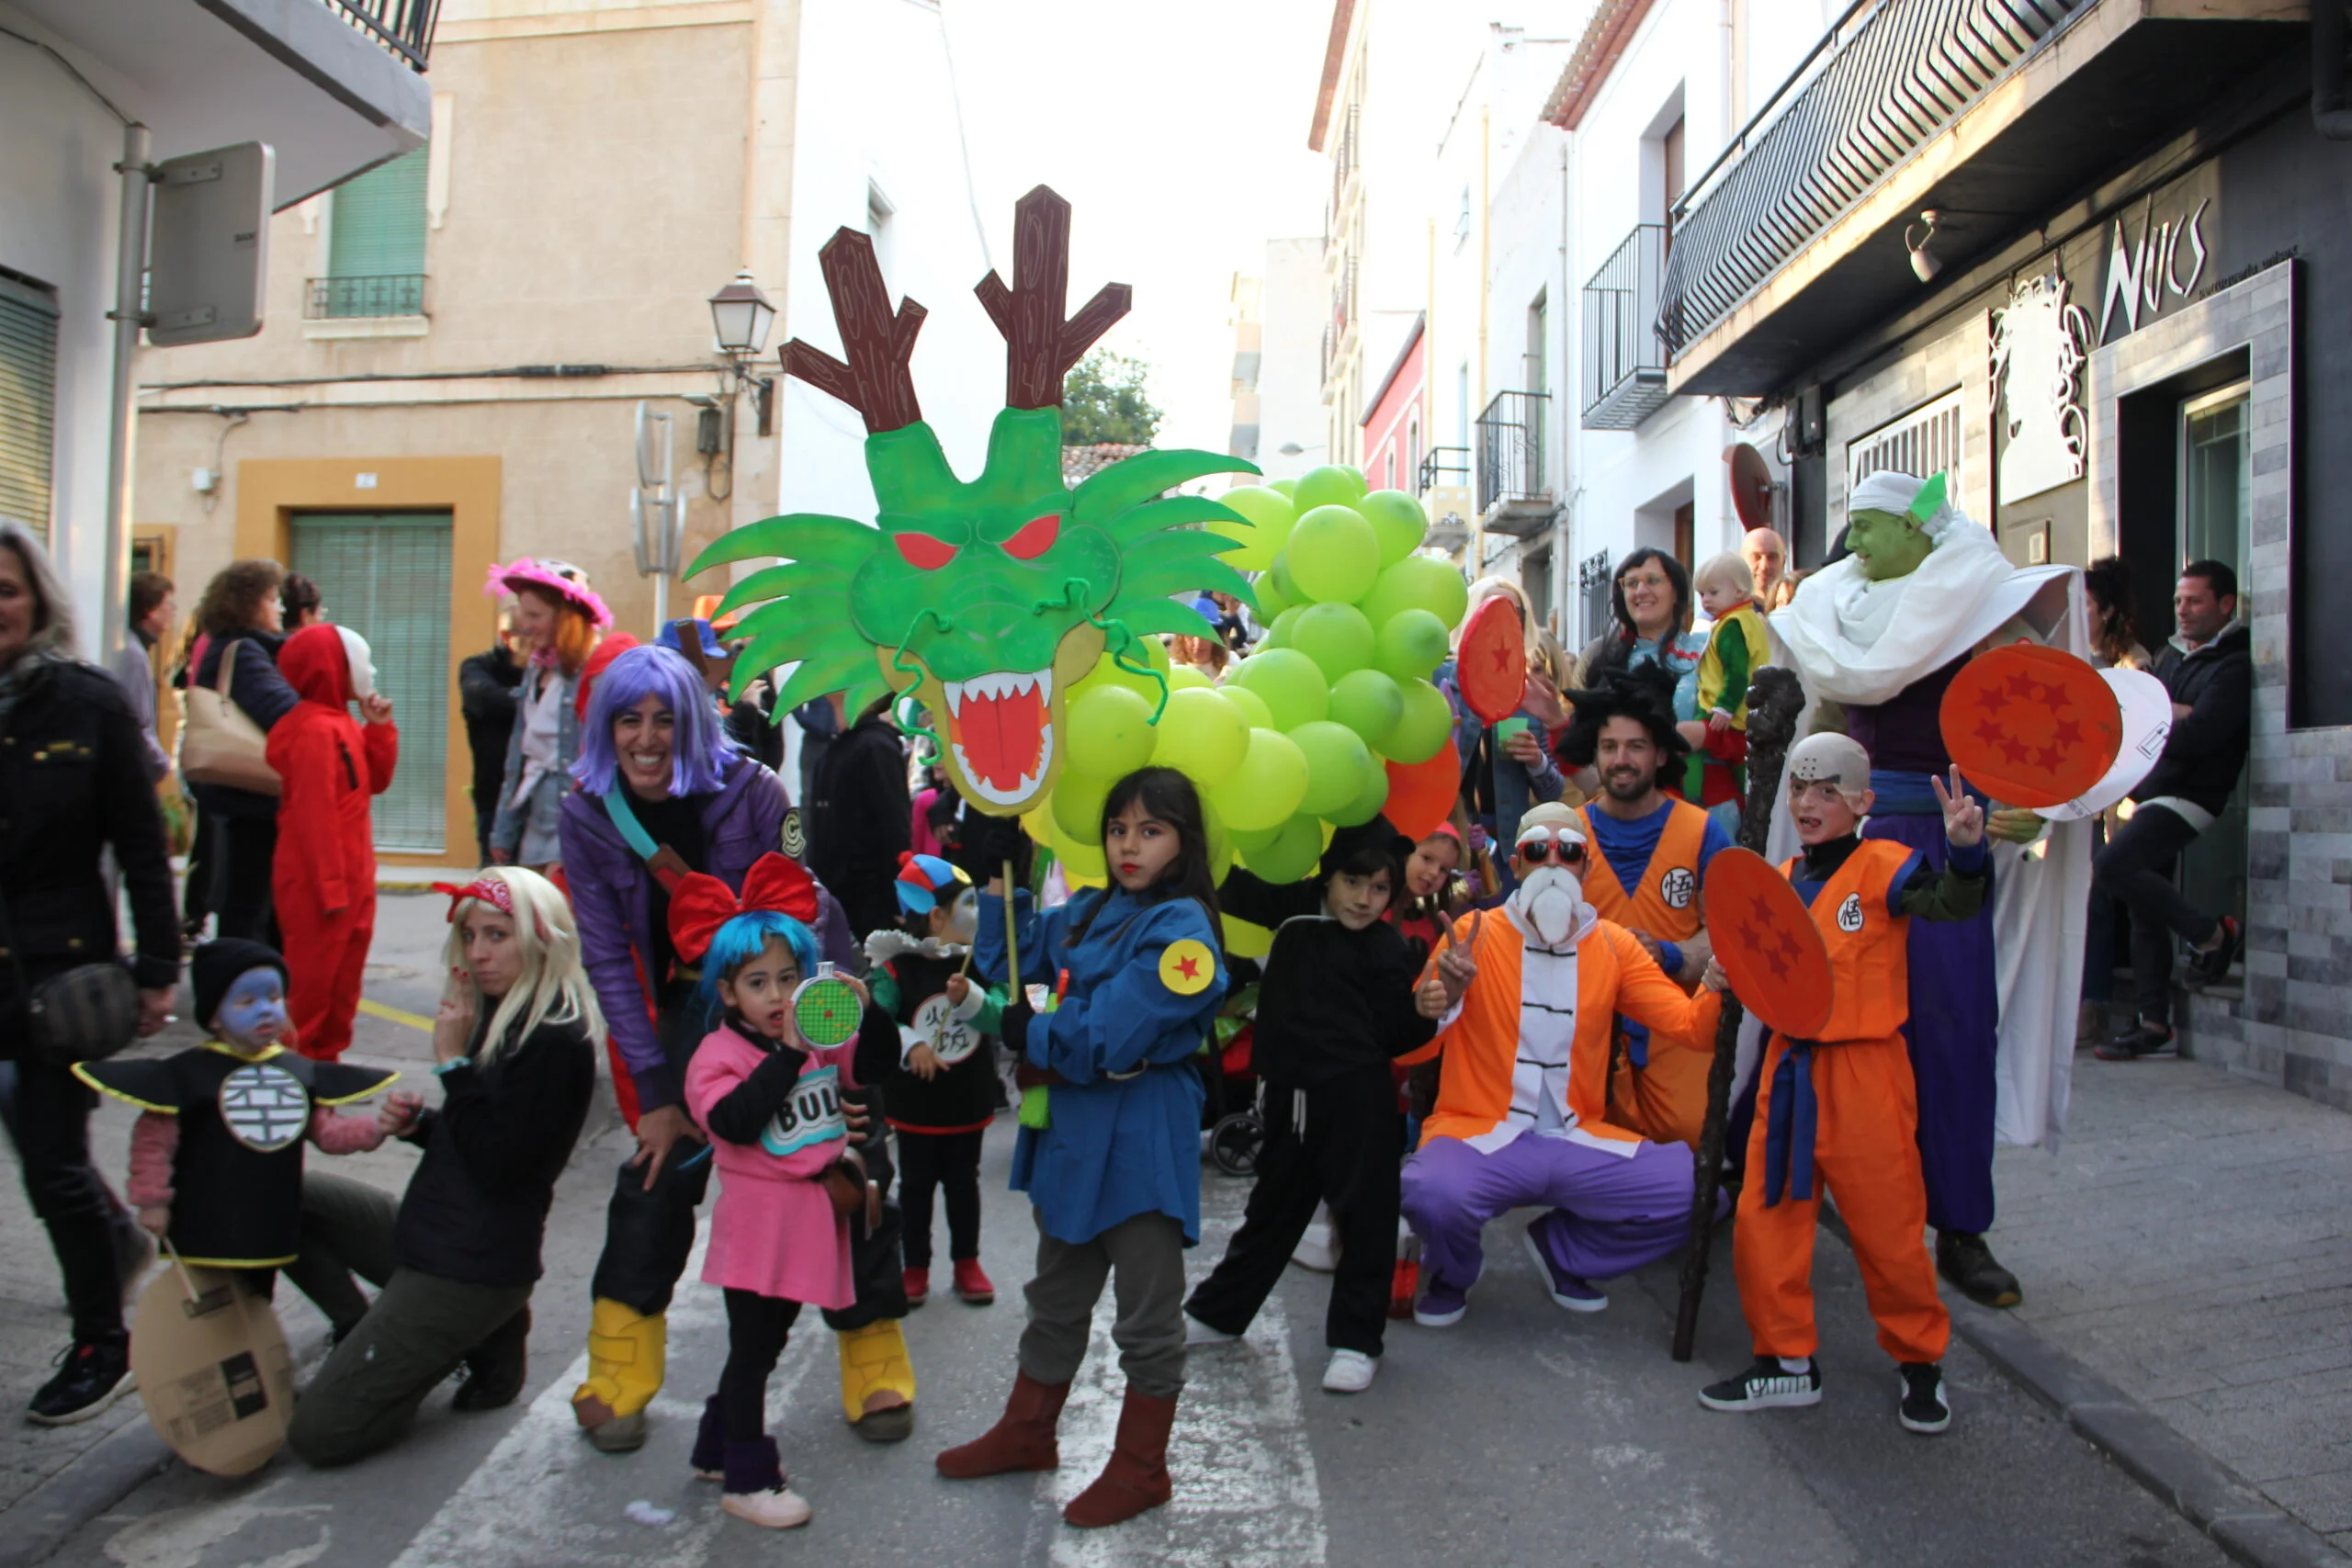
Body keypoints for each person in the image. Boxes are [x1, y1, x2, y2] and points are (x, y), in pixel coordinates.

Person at [558, 648, 909, 1452]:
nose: (646, 739)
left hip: (799, 987)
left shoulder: (755, 790)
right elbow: (607, 955)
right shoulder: (585, 811)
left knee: (853, 1159)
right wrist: (653, 1091)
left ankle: (874, 1354)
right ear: (604, 726)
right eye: (628, 719)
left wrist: (825, 1036)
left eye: (664, 720)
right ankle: (620, 1366)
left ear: (693, 722)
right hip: (688, 1010)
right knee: (655, 1177)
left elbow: (806, 904)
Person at [1770, 468, 2089, 1309]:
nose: (1853, 544)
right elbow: (1823, 725)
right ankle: (1823, 1194)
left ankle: (1961, 1226)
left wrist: (2030, 805)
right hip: (1853, 842)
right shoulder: (1834, 606)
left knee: (1952, 1033)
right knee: (1831, 1022)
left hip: (1950, 842)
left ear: (1915, 530)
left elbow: (2037, 716)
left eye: (1868, 527)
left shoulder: (1988, 604)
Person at [937, 769, 1227, 1529]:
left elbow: (1104, 1037)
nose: (1129, 845)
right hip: (1075, 1128)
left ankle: (1141, 1467)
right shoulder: (1097, 907)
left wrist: (1017, 1029)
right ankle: (1029, 1431)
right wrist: (998, 866)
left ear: (1184, 840)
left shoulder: (1185, 932)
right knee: (1058, 1295)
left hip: (1140, 1131)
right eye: (1117, 828)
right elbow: (1009, 960)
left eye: (1150, 830)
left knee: (1146, 1312)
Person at [1697, 738, 1989, 1437]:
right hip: (1789, 1068)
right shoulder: (1780, 878)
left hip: (1865, 1073)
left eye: (1827, 790)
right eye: (1800, 788)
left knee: (1888, 1230)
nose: (1807, 802)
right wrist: (1720, 974)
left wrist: (1967, 850)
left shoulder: (1885, 868)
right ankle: (1785, 1359)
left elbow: (1951, 903)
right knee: (1767, 1220)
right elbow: (1751, 963)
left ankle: (1920, 1360)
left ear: (1863, 802)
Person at [286, 869, 599, 1464]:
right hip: (430, 1231)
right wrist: (422, 1125)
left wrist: (452, 1067)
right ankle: (374, 1331)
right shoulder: (497, 1006)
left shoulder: (557, 1038)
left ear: (539, 938)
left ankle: (465, 1336)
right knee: (289, 1196)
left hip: (473, 1264)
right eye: (471, 935)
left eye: (497, 935)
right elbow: (479, 1132)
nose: (479, 953)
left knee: (318, 1436)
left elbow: (502, 1168)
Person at [1396, 803, 1724, 1326]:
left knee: (1698, 1191)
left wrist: (1715, 984)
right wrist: (1441, 1001)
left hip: (1579, 1138)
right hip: (1479, 1132)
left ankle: (1565, 1251)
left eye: (1568, 852)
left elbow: (1691, 1027)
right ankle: (1454, 1273)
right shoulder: (1472, 931)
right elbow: (1408, 1048)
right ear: (1518, 866)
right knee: (1431, 1191)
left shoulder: (1615, 945)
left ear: (1585, 869)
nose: (1553, 863)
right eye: (1536, 851)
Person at [0, 522, 178, 1425]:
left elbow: (141, 848)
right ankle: (110, 1241)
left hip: (53, 984)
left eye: (4, 588)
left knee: (54, 1165)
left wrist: (155, 969)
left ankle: (98, 1341)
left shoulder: (86, 703)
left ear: (36, 601)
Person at [677, 852, 895, 1529]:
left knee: (765, 1344)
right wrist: (792, 1054)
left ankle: (716, 1444)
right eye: (758, 982)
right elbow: (736, 1122)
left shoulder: (818, 1035)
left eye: (788, 978)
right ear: (728, 992)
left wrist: (869, 1008)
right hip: (759, 1228)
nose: (777, 996)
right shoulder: (718, 1056)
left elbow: (876, 1065)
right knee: (751, 1348)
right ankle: (748, 1475)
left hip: (809, 1219)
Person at [1183, 818, 1435, 1394]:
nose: (1364, 900)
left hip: (1362, 1106)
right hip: (1291, 1101)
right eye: (1353, 882)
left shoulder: (1388, 946)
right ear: (1329, 878)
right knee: (1271, 1214)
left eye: (1379, 889)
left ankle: (1356, 1341)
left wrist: (1425, 1005)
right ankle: (1218, 1315)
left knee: (1366, 1221)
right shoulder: (1292, 913)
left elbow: (1397, 1036)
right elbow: (1226, 882)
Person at [79, 940, 394, 1290]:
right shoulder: (188, 1075)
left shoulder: (298, 1073)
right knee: (208, 1313)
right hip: (202, 1225)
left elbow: (329, 1134)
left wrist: (379, 1128)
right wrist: (152, 1202)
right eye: (247, 1001)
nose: (264, 1010)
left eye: (274, 999)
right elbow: (153, 1146)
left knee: (256, 1304)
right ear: (214, 1015)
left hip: (267, 1226)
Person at [1556, 674, 1731, 1150]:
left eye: (1636, 746)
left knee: (1689, 1136)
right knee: (1579, 1144)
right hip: (1587, 1026)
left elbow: (1725, 936)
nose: (1621, 760)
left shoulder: (1703, 832)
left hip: (1676, 1024)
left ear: (1660, 754)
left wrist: (1670, 955)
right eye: (1609, 746)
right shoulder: (1567, 835)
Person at [2092, 560, 2252, 1061]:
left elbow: (2204, 734)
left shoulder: (2232, 664)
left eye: (2195, 601)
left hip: (2193, 794)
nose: (2182, 610)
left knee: (2114, 865)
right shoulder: (2171, 656)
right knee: (2143, 907)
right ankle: (2155, 1022)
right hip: (2153, 788)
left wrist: (2166, 717)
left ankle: (2212, 934)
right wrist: (2170, 715)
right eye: (2179, 601)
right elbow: (2139, 720)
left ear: (2225, 605)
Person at [871, 854, 1003, 1310]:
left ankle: (967, 1261)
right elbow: (879, 1018)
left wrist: (974, 1000)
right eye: (969, 904)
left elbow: (1001, 1016)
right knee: (915, 1185)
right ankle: (915, 1266)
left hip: (966, 1098)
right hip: (915, 1104)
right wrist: (912, 1045)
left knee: (964, 1182)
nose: (979, 913)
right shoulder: (897, 967)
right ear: (937, 917)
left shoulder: (977, 965)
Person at [267, 624, 397, 1062]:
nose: (371, 669)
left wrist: (378, 730)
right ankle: (296, 1072)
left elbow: (373, 783)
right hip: (321, 884)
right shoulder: (314, 732)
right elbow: (313, 819)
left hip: (349, 876)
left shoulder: (338, 723)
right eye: (362, 661)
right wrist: (332, 888)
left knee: (343, 982)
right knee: (312, 986)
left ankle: (324, 1067)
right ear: (334, 667)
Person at [190, 558, 300, 942]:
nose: (281, 607)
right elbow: (286, 714)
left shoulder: (235, 649)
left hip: (239, 803)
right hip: (251, 801)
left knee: (248, 906)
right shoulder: (244, 653)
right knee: (251, 910)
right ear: (248, 603)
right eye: (273, 598)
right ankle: (244, 986)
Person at [1439, 579, 1568, 895]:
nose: (1501, 619)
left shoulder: (1528, 694)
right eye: (1490, 608)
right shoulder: (1441, 679)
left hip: (1508, 847)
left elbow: (1554, 790)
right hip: (1446, 838)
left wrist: (1537, 761)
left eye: (1513, 612)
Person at [490, 558, 610, 876]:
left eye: (535, 615)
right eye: (522, 612)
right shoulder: (535, 667)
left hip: (574, 814)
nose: (525, 624)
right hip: (534, 814)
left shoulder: (596, 672)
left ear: (566, 618)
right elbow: (519, 754)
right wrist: (503, 829)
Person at [808, 693, 913, 942]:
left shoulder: (875, 746)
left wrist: (896, 901)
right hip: (836, 901)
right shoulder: (837, 749)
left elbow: (895, 829)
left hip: (871, 905)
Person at [1680, 552, 1772, 816]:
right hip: (1746, 711)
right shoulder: (1750, 620)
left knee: (1692, 749)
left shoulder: (1731, 627)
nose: (1706, 600)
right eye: (1701, 594)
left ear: (1739, 590)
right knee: (1742, 766)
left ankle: (1693, 799)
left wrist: (1724, 707)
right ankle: (1746, 806)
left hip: (1719, 708)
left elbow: (1736, 673)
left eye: (1713, 592)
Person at [1576, 548, 1709, 720]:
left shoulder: (1706, 649)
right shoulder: (1603, 658)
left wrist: (1706, 736)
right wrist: (1556, 723)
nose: (1640, 591)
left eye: (1653, 580)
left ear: (1676, 592)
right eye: (1631, 583)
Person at [460, 613, 524, 866]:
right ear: (507, 637)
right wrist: (532, 696)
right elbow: (482, 696)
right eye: (526, 634)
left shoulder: (550, 672)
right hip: (494, 798)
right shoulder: (479, 666)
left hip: (541, 803)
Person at [112, 570, 175, 783]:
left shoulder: (132, 647)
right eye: (168, 604)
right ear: (150, 609)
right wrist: (161, 763)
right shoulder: (133, 654)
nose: (173, 611)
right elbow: (137, 719)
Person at [2083, 557, 2154, 673]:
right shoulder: (2071, 655)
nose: (2074, 611)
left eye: (2083, 604)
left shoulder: (2134, 663)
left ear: (2107, 611)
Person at [1741, 527, 1790, 609]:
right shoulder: (1730, 613)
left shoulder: (1796, 608)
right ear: (1742, 562)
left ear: (1783, 562)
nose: (1764, 566)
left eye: (1772, 557)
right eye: (1756, 557)